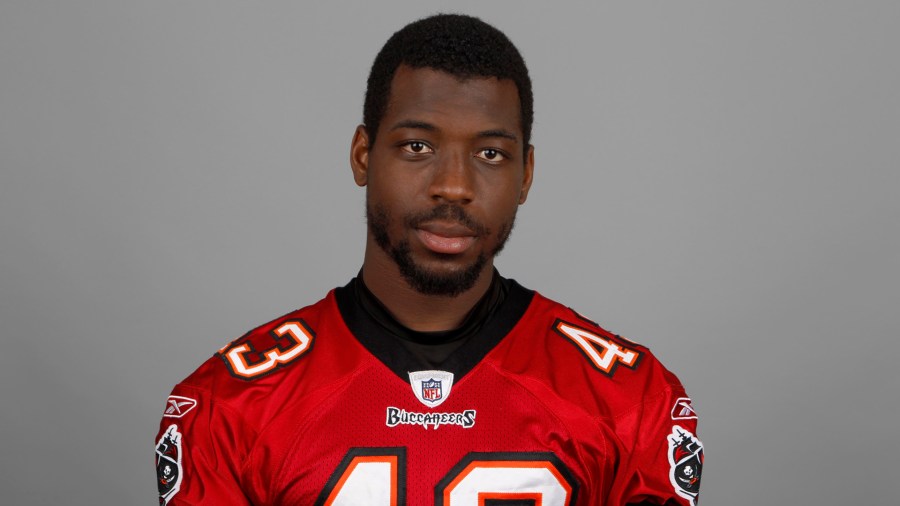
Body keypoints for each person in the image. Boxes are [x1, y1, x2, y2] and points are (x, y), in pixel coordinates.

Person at [155, 13, 703, 506]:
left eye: (490, 154)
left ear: (526, 176)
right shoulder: (230, 405)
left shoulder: (629, 401)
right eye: (418, 146)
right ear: (363, 156)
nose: (453, 187)